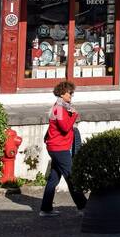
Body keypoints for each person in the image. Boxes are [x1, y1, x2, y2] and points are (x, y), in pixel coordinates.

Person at [40, 81, 87, 216]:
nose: (72, 95)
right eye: (69, 93)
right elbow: (65, 128)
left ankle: (46, 208)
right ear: (62, 93)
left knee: (54, 178)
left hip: (56, 147)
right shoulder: (59, 109)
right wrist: (74, 115)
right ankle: (83, 206)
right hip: (59, 148)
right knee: (71, 176)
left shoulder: (61, 107)